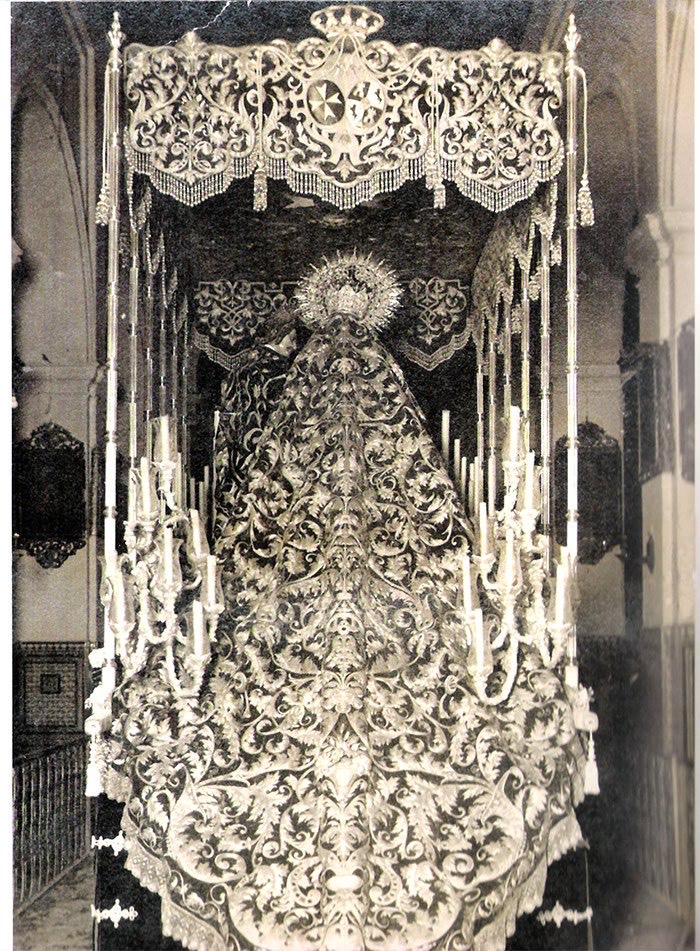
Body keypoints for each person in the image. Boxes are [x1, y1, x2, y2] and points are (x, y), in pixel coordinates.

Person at [104, 252, 587, 951]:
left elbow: (413, 482)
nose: (345, 347)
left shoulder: (366, 392)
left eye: (354, 331)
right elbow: (279, 497)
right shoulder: (334, 391)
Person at [213, 306, 297, 540]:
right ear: (280, 334)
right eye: (292, 338)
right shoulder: (283, 371)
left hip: (236, 453)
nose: (295, 346)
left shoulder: (241, 365)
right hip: (266, 455)